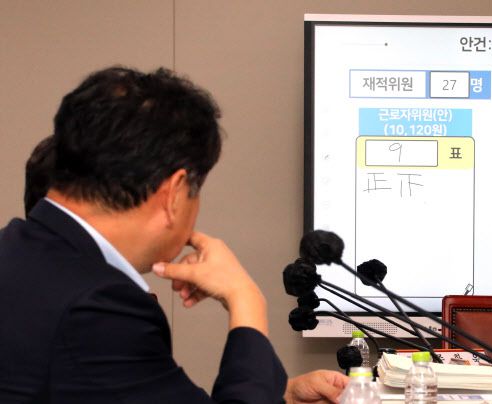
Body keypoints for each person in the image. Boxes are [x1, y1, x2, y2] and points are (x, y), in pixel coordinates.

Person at [0, 66, 347, 403]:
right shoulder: (99, 307)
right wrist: (245, 300)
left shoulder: (16, 251)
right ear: (175, 192)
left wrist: (280, 394)